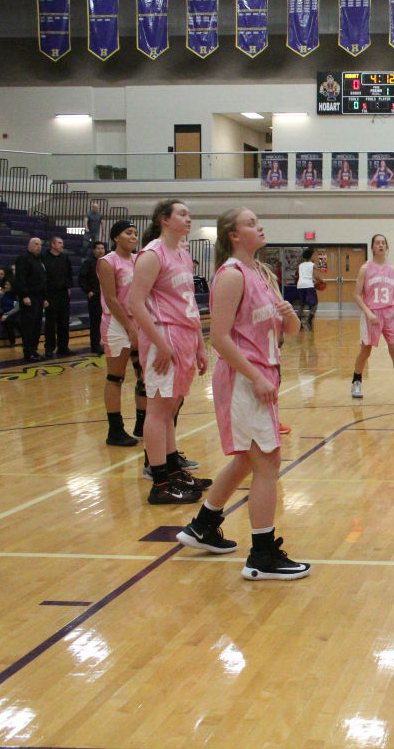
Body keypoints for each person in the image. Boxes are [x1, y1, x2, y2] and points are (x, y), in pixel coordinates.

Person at [176, 206, 310, 581]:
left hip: (260, 376)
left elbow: (293, 331)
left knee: (247, 460)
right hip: (244, 380)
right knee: (268, 463)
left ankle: (202, 526)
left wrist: (289, 315)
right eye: (251, 222)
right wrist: (255, 376)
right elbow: (219, 338)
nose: (260, 225)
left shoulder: (260, 274)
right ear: (234, 235)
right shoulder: (232, 276)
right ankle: (262, 555)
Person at [128, 199, 212, 505]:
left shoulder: (183, 253)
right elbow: (136, 304)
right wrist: (160, 343)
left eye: (189, 213)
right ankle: (160, 482)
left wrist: (201, 342)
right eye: (182, 214)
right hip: (164, 336)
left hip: (185, 335)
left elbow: (187, 301)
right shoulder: (151, 255)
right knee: (159, 409)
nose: (189, 219)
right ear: (165, 219)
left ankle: (174, 469)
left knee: (172, 407)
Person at [97, 220, 145, 447]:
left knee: (143, 374)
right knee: (116, 377)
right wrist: (129, 327)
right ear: (116, 237)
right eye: (128, 233)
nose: (134, 236)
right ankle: (114, 430)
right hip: (116, 323)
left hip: (138, 321)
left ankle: (142, 425)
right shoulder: (107, 262)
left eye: (135, 233)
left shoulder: (140, 260)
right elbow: (111, 299)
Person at [350, 234, 394, 404]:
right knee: (365, 351)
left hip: (391, 313)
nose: (380, 245)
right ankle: (356, 381)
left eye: (383, 243)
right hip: (373, 314)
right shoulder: (365, 269)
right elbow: (356, 294)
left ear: (387, 247)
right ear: (372, 247)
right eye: (377, 243)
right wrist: (368, 313)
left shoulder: (392, 270)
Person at [12, 237, 46, 361]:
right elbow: (20, 279)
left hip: (38, 297)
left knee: (37, 325)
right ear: (29, 245)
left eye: (40, 244)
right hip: (29, 297)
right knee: (29, 326)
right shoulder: (23, 259)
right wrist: (24, 295)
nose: (39, 246)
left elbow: (42, 280)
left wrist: (44, 297)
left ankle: (34, 350)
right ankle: (28, 352)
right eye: (36, 244)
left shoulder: (38, 260)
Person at [41, 236, 73, 357]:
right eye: (60, 243)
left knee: (64, 322)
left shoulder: (65, 258)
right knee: (50, 323)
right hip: (50, 293)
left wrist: (69, 287)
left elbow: (69, 274)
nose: (62, 245)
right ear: (53, 244)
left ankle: (63, 347)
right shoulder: (43, 257)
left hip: (63, 293)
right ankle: (49, 348)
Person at [79, 240, 106, 355]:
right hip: (95, 296)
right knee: (95, 322)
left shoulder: (106, 261)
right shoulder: (88, 262)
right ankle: (95, 345)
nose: (100, 251)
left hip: (105, 296)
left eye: (102, 248)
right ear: (93, 250)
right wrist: (88, 291)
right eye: (98, 248)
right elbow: (82, 279)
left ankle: (103, 342)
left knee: (104, 321)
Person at [294, 247, 322, 330]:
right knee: (315, 303)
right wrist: (321, 281)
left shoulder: (300, 265)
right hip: (308, 285)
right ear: (311, 255)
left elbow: (301, 275)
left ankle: (299, 322)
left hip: (300, 285)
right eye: (313, 254)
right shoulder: (313, 265)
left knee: (302, 304)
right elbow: (316, 276)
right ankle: (309, 319)